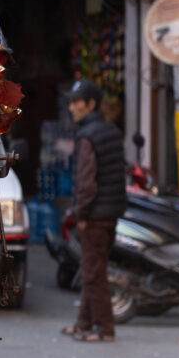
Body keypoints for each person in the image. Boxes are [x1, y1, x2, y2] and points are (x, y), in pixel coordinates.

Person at [62, 79, 126, 343]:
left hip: (95, 214)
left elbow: (86, 183)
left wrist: (82, 215)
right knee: (92, 270)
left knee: (93, 273)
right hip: (110, 212)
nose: (72, 107)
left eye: (77, 102)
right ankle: (83, 324)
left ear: (91, 104)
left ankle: (104, 328)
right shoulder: (110, 130)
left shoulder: (87, 136)